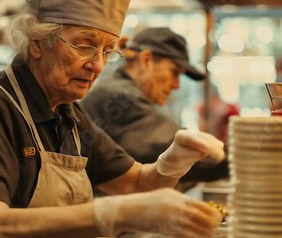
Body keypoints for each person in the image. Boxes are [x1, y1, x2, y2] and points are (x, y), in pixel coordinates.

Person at [0, 0, 225, 238]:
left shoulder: (68, 114)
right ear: (38, 43)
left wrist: (173, 162)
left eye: (107, 51)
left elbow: (136, 184)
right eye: (85, 45)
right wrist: (115, 214)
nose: (97, 65)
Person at [81, 27, 228, 183]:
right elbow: (169, 146)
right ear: (146, 61)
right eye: (174, 72)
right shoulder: (119, 95)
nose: (177, 85)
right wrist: (238, 155)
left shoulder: (117, 87)